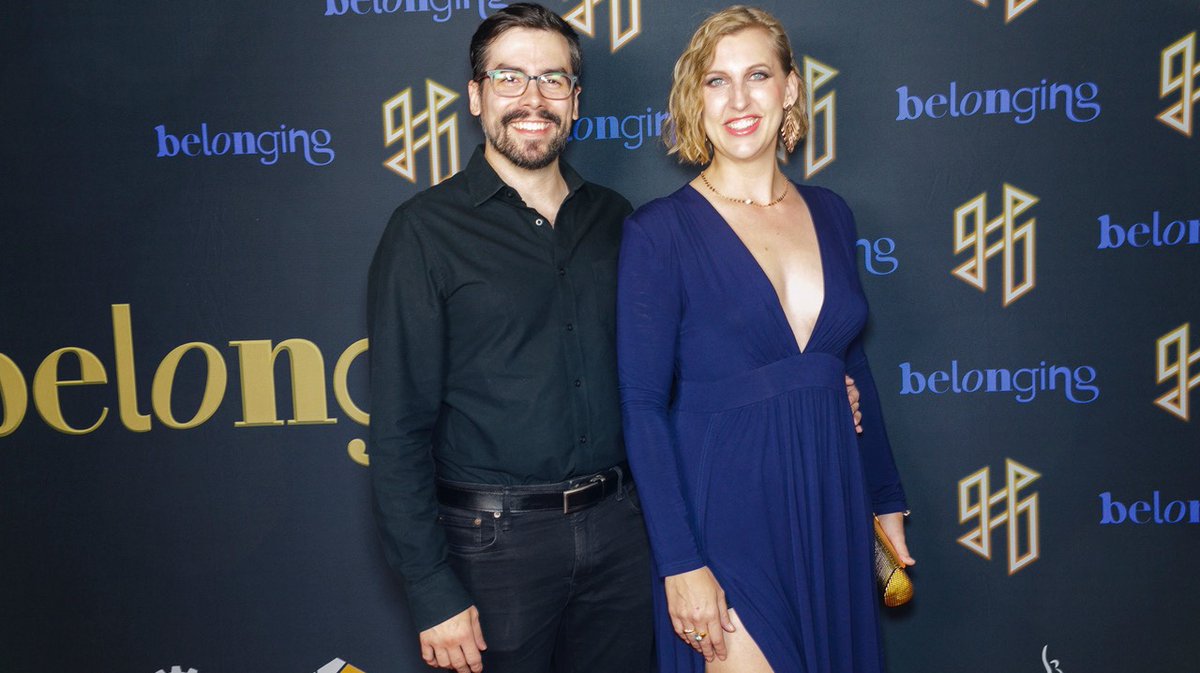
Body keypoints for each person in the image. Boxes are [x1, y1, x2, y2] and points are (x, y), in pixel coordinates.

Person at [616, 6, 915, 673]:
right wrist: (681, 562)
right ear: (697, 99)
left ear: (791, 89)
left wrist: (886, 501)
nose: (739, 99)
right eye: (716, 81)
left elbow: (850, 362)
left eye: (757, 74)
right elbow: (641, 407)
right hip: (727, 520)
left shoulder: (833, 213)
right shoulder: (660, 232)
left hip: (830, 503)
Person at [366, 5, 654, 673]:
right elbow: (398, 428)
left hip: (622, 534)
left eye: (552, 79)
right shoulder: (423, 232)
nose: (533, 99)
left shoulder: (618, 220)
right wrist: (431, 589)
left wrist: (806, 379)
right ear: (475, 96)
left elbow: (674, 362)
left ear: (576, 101)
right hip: (493, 550)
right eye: (509, 77)